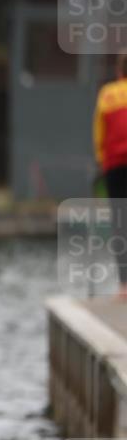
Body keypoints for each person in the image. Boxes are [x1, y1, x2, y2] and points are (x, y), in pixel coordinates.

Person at [93, 50, 127, 299]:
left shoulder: (107, 95)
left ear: (118, 71)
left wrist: (102, 162)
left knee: (120, 223)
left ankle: (125, 287)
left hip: (115, 166)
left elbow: (99, 134)